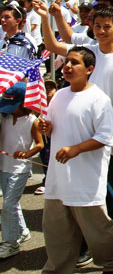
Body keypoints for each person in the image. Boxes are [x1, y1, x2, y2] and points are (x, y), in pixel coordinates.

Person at [38, 46, 113, 274]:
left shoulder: (98, 99)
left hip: (85, 180)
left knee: (98, 231)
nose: (67, 67)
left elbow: (105, 136)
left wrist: (76, 149)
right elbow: (51, 127)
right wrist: (46, 127)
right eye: (66, 62)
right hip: (58, 179)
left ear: (89, 69)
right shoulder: (58, 95)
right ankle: (57, 268)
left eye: (74, 63)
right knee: (57, 231)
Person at [0, 82, 44, 259]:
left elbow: (40, 144)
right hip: (4, 166)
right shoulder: (5, 118)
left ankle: (11, 243)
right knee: (12, 203)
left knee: (8, 204)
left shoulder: (32, 121)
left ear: (23, 104)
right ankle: (23, 230)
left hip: (20, 169)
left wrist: (27, 153)